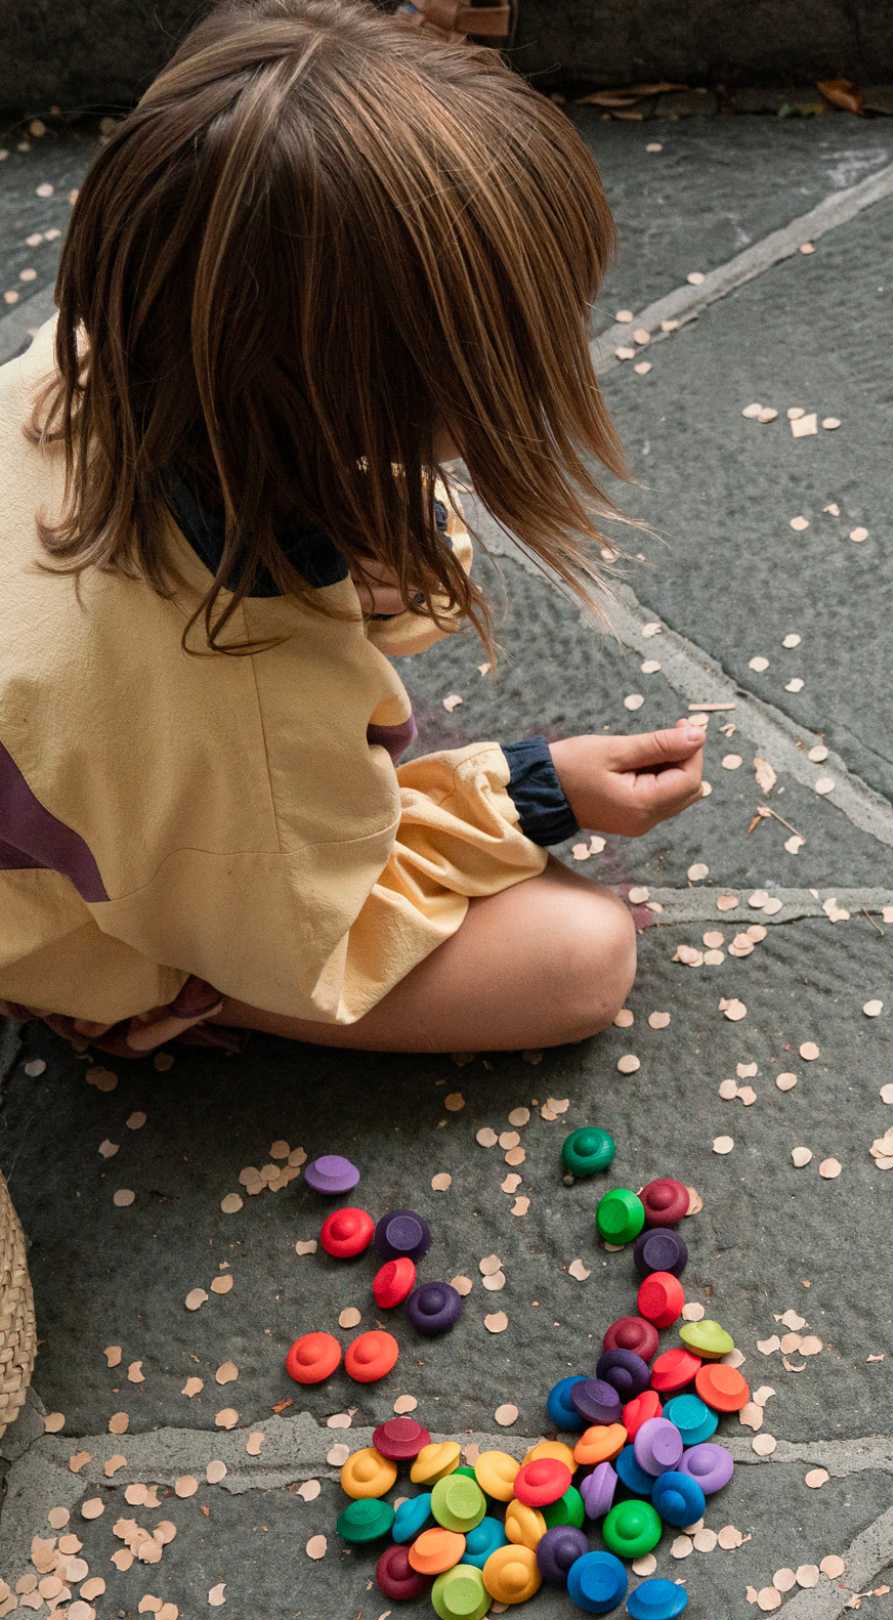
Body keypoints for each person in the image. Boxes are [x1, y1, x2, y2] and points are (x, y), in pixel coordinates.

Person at [0, 0, 703, 1057]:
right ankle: (122, 1000)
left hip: (87, 735)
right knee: (579, 954)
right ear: (363, 407)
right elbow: (299, 934)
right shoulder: (238, 699)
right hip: (74, 900)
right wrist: (522, 792)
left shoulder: (97, 348)